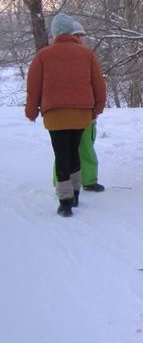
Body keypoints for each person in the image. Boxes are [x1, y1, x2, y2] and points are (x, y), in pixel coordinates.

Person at [26, 13, 107, 217]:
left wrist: (31, 110)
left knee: (61, 154)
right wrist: (97, 108)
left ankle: (65, 201)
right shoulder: (86, 54)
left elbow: (33, 86)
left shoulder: (43, 55)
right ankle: (76, 193)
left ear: (54, 32)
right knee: (74, 152)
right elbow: (98, 83)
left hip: (55, 115)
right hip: (81, 114)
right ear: (71, 31)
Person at [50, 20, 105, 193]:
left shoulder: (85, 55)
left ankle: (85, 180)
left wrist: (96, 107)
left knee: (80, 148)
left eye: (82, 35)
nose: (81, 38)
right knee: (67, 150)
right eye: (78, 35)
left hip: (82, 111)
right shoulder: (55, 57)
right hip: (78, 112)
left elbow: (96, 84)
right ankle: (64, 183)